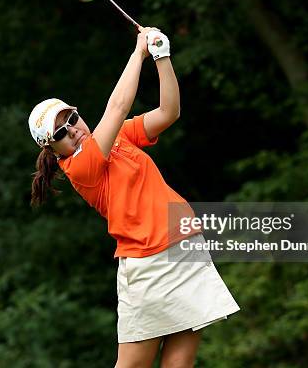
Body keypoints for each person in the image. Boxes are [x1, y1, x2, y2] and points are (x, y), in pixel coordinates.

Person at [28, 27, 240, 367]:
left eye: (71, 118)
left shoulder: (120, 136)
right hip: (147, 264)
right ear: (51, 149)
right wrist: (137, 53)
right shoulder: (79, 166)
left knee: (180, 364)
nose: (72, 129)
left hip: (185, 247)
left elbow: (169, 112)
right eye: (60, 133)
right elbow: (116, 105)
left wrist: (162, 57)